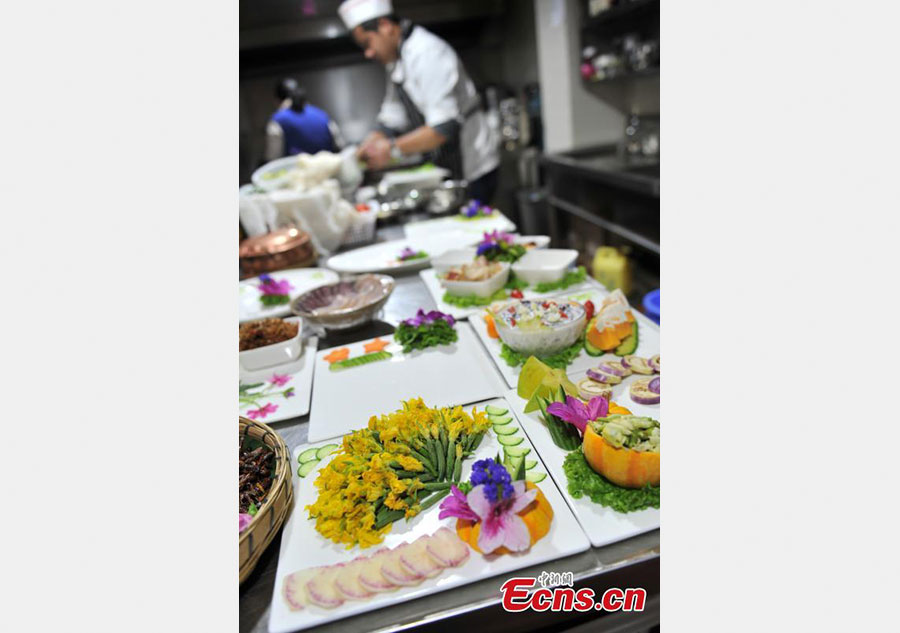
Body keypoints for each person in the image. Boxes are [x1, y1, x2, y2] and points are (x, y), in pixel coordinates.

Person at [338, 0, 500, 204]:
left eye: (367, 43)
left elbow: (444, 127)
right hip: (446, 165)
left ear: (385, 26)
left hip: (472, 167)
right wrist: (370, 142)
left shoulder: (427, 53)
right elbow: (393, 115)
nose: (368, 53)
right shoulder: (398, 60)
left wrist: (390, 149)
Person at [264, 78, 345, 162]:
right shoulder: (321, 114)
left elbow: (272, 158)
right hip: (329, 171)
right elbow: (340, 146)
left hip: (295, 173)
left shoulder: (277, 121)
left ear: (277, 100)